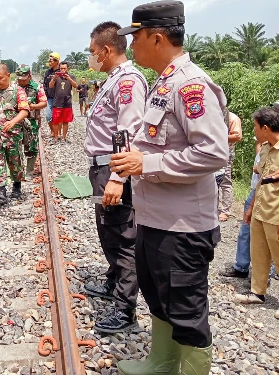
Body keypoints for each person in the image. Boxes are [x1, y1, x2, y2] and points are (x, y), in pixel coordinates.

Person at [111, 2, 229, 373]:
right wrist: (135, 157)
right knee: (159, 298)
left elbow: (213, 154)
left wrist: (147, 163)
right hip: (155, 218)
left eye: (136, 38)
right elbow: (160, 139)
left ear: (157, 38)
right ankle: (161, 363)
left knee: (187, 310)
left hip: (183, 227)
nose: (131, 47)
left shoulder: (190, 85)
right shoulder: (164, 82)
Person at [83, 21, 148, 334]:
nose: (91, 58)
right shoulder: (112, 80)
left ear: (107, 51)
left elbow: (128, 131)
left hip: (114, 167)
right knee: (108, 229)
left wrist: (118, 178)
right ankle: (113, 283)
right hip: (103, 166)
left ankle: (126, 309)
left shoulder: (128, 82)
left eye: (94, 53)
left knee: (122, 235)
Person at [235, 107, 279, 307]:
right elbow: (261, 179)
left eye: (255, 126)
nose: (253, 130)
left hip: (276, 214)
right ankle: (257, 292)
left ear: (265, 127)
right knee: (258, 254)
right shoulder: (266, 148)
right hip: (261, 210)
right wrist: (251, 207)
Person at [0, 64, 30, 208]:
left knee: (15, 164)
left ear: (8, 75)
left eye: (0, 78)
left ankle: (16, 187)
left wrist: (13, 122)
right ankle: (0, 194)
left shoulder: (18, 91)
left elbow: (25, 111)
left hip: (12, 136)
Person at [15, 65, 47, 176]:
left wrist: (34, 106)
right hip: (16, 120)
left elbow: (44, 102)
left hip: (32, 121)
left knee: (31, 146)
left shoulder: (37, 87)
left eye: (23, 79)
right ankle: (17, 170)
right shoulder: (13, 86)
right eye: (19, 79)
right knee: (14, 145)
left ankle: (29, 171)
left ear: (29, 76)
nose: (21, 81)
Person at [218, 112, 243, 221]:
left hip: (225, 154)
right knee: (211, 181)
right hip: (212, 152)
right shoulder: (213, 113)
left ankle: (225, 211)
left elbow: (237, 136)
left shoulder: (232, 118)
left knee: (225, 182)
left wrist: (218, 136)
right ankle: (212, 209)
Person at [48, 61, 78, 142]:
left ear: (67, 68)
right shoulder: (55, 76)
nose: (63, 70)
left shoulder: (71, 76)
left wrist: (69, 79)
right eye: (61, 68)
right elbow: (50, 86)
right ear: (59, 68)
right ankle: (56, 137)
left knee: (66, 121)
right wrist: (54, 78)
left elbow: (75, 86)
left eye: (64, 68)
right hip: (57, 102)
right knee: (55, 121)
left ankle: (64, 137)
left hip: (67, 102)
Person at [43, 52, 61, 137]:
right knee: (48, 116)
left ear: (57, 61)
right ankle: (53, 131)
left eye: (51, 61)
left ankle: (57, 133)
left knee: (58, 117)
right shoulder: (47, 72)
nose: (50, 62)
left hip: (59, 98)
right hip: (50, 97)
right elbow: (45, 85)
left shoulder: (61, 72)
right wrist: (45, 94)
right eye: (49, 61)